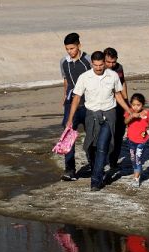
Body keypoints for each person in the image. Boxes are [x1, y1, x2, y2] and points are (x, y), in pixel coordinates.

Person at [66, 51, 131, 191]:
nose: (99, 68)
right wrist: (70, 119)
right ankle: (97, 167)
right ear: (91, 64)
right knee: (91, 146)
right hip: (92, 115)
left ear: (104, 63)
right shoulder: (84, 77)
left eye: (101, 65)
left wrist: (128, 109)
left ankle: (95, 180)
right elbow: (76, 98)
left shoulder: (112, 75)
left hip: (109, 113)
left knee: (102, 146)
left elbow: (118, 94)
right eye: (96, 65)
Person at [59, 32, 92, 181]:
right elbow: (66, 80)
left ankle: (94, 163)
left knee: (91, 135)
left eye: (72, 48)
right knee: (68, 134)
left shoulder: (88, 60)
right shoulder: (63, 62)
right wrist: (65, 97)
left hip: (89, 103)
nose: (70, 51)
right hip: (71, 104)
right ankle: (70, 169)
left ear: (79, 45)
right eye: (67, 49)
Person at [104, 47, 129, 171]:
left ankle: (113, 161)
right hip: (106, 105)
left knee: (119, 134)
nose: (111, 65)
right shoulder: (100, 70)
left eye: (113, 62)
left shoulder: (119, 68)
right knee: (106, 134)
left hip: (120, 104)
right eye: (108, 62)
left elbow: (123, 83)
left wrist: (126, 100)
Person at [124, 93, 149, 187]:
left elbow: (147, 124)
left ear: (142, 105)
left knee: (138, 159)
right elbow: (125, 122)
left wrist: (142, 116)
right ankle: (137, 171)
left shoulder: (146, 113)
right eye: (133, 105)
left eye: (138, 105)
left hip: (141, 141)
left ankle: (136, 178)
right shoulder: (129, 111)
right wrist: (131, 116)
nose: (135, 107)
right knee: (133, 159)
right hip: (131, 140)